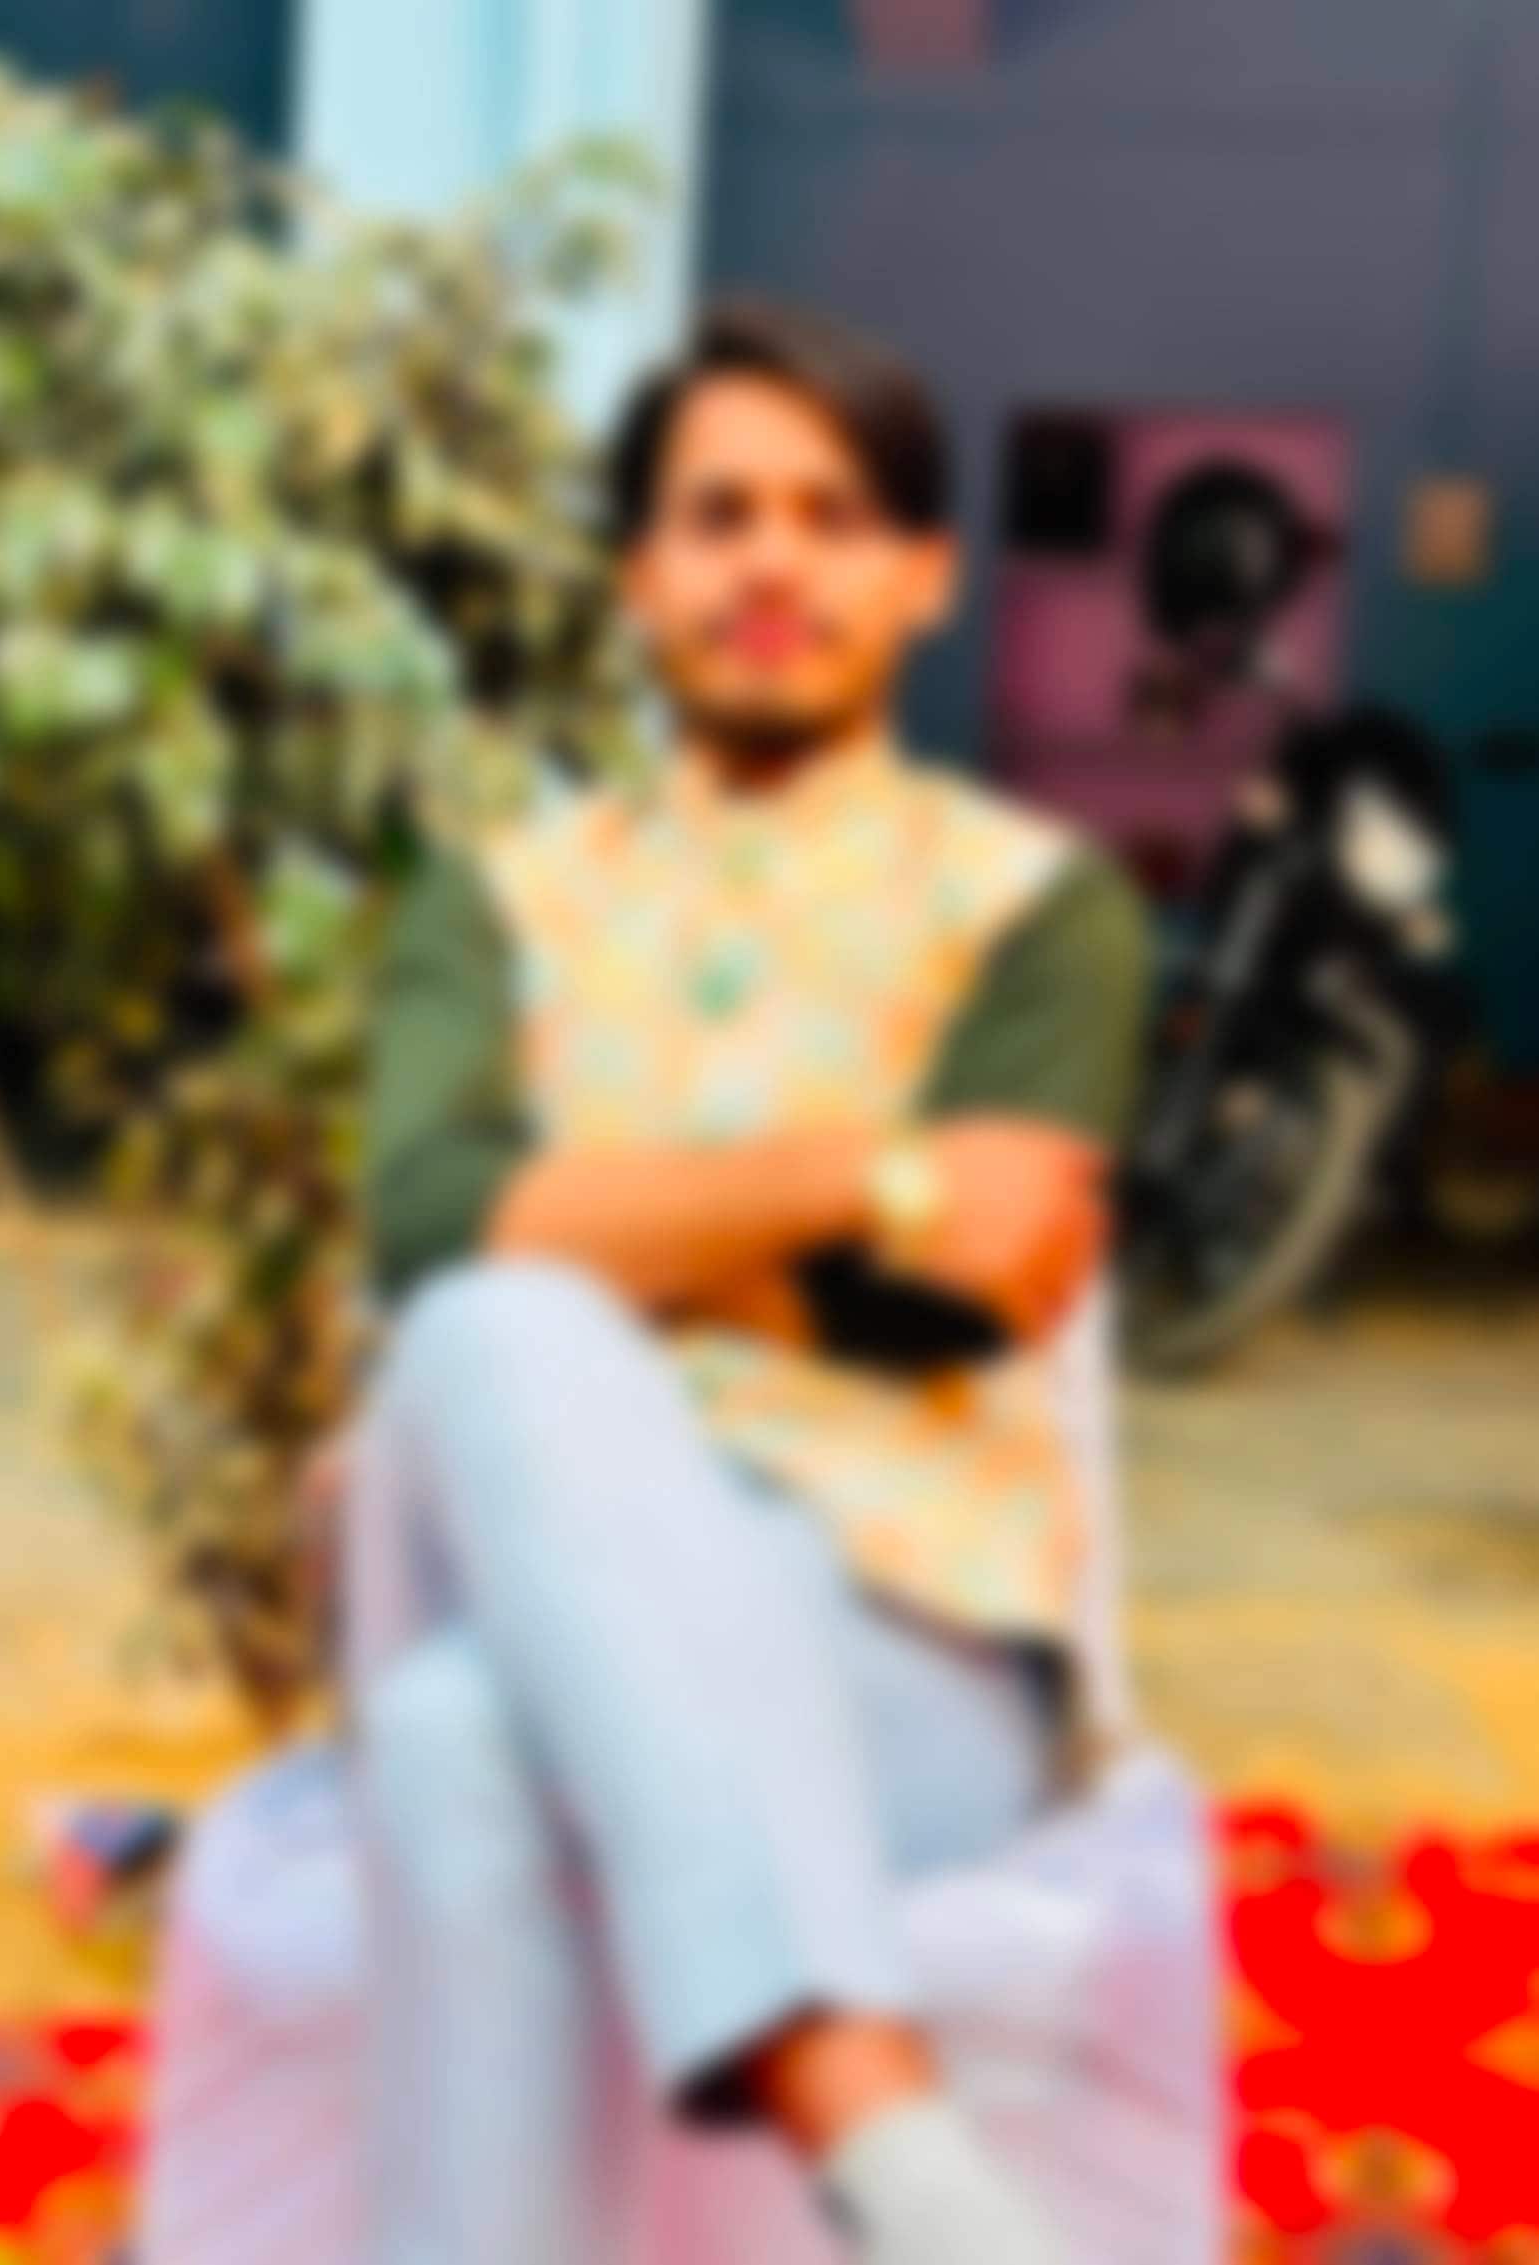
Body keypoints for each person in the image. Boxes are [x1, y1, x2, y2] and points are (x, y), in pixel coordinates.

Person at [352, 297, 1151, 2265]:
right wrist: (859, 1176)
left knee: (467, 1678)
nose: (773, 562)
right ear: (639, 576)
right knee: (492, 1325)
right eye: (717, 516)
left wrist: (599, 1227)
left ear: (924, 572)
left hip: (910, 1641)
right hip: (549, 1585)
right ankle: (891, 2150)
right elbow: (429, 1215)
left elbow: (960, 1295)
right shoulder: (498, 895)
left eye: (831, 513)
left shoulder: (1042, 902)